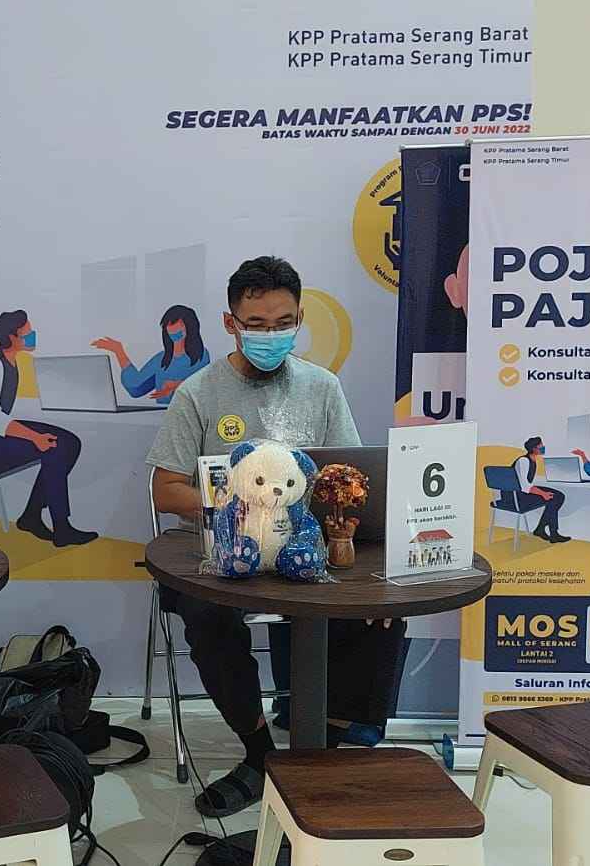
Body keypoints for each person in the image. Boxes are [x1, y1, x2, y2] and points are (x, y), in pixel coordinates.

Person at [145, 256, 407, 817]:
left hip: (306, 545)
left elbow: (348, 479)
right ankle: (260, 754)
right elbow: (167, 490)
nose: (271, 335)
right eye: (256, 324)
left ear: (300, 319)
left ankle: (319, 752)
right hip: (227, 551)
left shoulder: (321, 387)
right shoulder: (198, 393)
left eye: (283, 323)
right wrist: (238, 506)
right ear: (230, 323)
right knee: (205, 613)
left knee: (381, 613)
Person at [0, 310, 98, 546]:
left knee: (70, 442)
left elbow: (2, 410)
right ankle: (60, 526)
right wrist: (35, 437)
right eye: (27, 333)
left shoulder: (10, 361)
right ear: (11, 337)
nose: (32, 335)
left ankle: (32, 515)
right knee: (55, 447)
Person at [92, 305, 211, 403]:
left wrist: (178, 385)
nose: (174, 329)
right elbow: (135, 387)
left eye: (179, 326)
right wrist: (119, 351)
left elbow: (203, 386)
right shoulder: (160, 360)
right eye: (170, 325)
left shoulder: (201, 355)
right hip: (161, 416)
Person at [510, 437, 571, 543]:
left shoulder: (532, 459)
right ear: (534, 449)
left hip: (522, 492)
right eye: (541, 446)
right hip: (515, 496)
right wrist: (543, 493)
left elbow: (526, 483)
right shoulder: (524, 461)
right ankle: (552, 533)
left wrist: (542, 493)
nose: (543, 447)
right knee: (553, 498)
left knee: (559, 496)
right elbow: (524, 486)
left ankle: (541, 529)